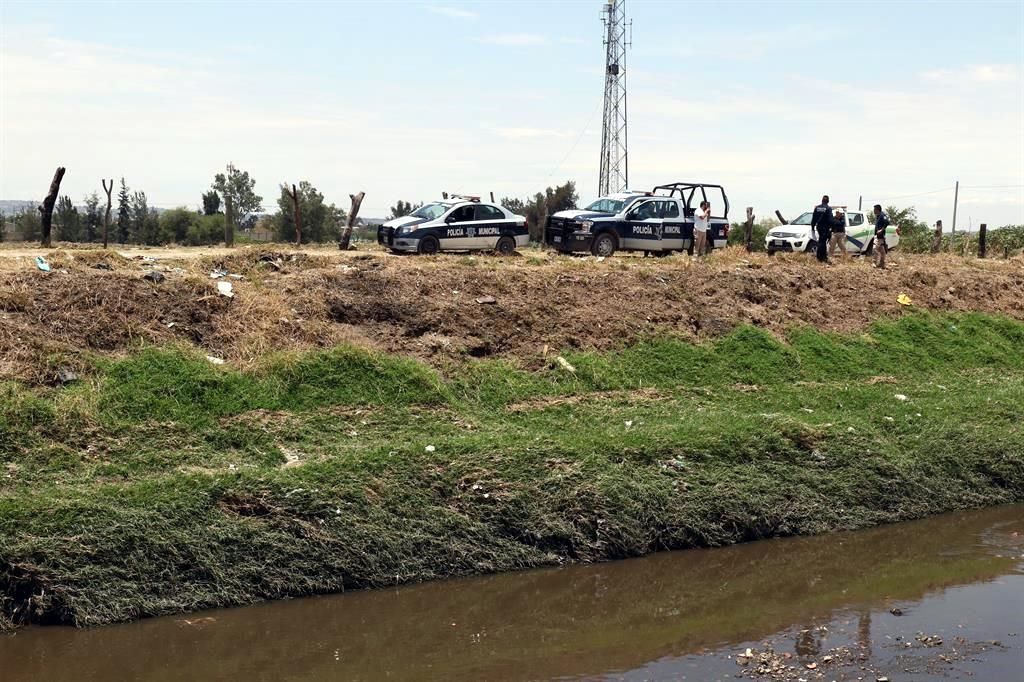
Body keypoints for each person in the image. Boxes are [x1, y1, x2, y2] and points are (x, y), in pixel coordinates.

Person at [811, 195, 833, 263]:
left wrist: (812, 227)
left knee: (821, 241)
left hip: (819, 227)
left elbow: (814, 218)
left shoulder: (817, 208)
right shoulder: (828, 208)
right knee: (822, 242)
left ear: (822, 200)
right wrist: (831, 228)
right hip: (825, 227)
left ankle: (821, 257)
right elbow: (830, 219)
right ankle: (821, 257)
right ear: (828, 201)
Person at [872, 204, 889, 269]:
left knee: (874, 248)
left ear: (877, 209)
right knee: (882, 251)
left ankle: (874, 262)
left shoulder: (882, 215)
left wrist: (881, 230)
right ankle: (882, 263)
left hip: (880, 236)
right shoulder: (877, 216)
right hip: (877, 236)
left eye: (874, 209)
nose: (873, 211)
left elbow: (887, 222)